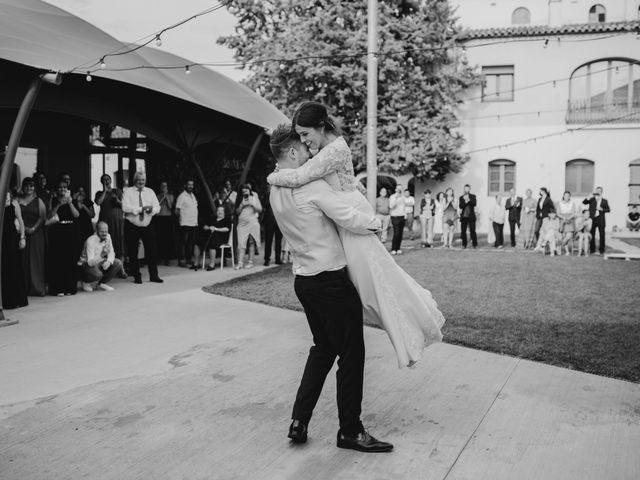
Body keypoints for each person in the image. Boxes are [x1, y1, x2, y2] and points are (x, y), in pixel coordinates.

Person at [267, 103, 444, 370]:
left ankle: (408, 340)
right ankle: (404, 340)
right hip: (344, 217)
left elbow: (301, 176)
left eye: (305, 134)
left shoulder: (336, 149)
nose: (304, 140)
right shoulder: (322, 150)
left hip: (349, 216)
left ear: (321, 126)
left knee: (375, 286)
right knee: (373, 285)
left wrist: (273, 176)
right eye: (300, 136)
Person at [268, 123, 393, 453]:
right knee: (352, 354)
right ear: (293, 151)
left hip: (304, 281)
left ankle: (300, 420)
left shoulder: (274, 190)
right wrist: (377, 223)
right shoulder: (310, 185)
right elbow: (347, 216)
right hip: (331, 281)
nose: (312, 154)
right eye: (306, 149)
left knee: (323, 348)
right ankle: (350, 430)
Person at [122, 172, 163, 284]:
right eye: (139, 180)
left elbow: (157, 207)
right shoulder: (128, 191)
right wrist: (141, 209)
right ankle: (137, 276)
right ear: (135, 180)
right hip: (132, 226)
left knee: (152, 251)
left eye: (143, 180)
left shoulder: (150, 192)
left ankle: (154, 276)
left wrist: (152, 210)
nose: (141, 182)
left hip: (147, 225)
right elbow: (125, 207)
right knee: (133, 252)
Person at [45, 180, 80, 296]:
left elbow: (76, 215)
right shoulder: (53, 200)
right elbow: (49, 215)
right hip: (57, 231)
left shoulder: (71, 200)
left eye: (65, 187)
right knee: (58, 260)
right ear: (57, 189)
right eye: (60, 187)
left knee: (69, 259)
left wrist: (69, 203)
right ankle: (58, 288)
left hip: (70, 230)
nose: (63, 189)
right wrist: (59, 204)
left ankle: (69, 288)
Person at [18, 178, 46, 296]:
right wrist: (23, 229)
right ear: (22, 187)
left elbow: (42, 217)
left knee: (36, 260)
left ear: (34, 188)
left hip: (36, 234)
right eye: (26, 186)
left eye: (31, 186)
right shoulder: (17, 200)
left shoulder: (38, 201)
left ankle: (37, 288)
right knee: (22, 260)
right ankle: (24, 288)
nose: (29, 188)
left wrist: (34, 228)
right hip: (21, 233)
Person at [78, 221, 123, 292]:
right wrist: (102, 255)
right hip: (86, 264)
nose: (105, 234)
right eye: (102, 232)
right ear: (97, 231)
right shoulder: (90, 240)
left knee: (118, 263)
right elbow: (90, 262)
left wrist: (109, 261)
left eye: (106, 231)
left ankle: (101, 283)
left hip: (100, 261)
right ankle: (85, 281)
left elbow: (112, 252)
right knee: (98, 274)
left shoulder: (108, 236)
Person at [2, 192, 28, 309]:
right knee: (4, 268)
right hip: (1, 237)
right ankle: (6, 300)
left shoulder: (14, 203)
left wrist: (22, 237)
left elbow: (20, 221)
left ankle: (18, 298)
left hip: (11, 237)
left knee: (14, 266)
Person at [95, 174, 125, 261]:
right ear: (101, 182)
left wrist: (117, 201)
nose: (106, 181)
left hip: (117, 221)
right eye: (104, 180)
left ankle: (121, 268)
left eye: (107, 179)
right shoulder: (99, 193)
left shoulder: (118, 191)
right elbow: (98, 202)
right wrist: (105, 191)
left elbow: (125, 205)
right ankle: (107, 265)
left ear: (111, 180)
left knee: (119, 243)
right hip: (105, 221)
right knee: (105, 242)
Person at [235, 184, 262, 269]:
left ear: (250, 190)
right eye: (243, 191)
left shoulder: (254, 197)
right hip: (242, 224)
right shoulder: (239, 199)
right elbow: (237, 212)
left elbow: (260, 209)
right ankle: (240, 263)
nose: (245, 192)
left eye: (246, 190)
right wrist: (242, 205)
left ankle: (250, 262)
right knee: (241, 243)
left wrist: (252, 204)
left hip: (253, 222)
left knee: (251, 241)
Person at [197, 206, 231, 270]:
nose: (220, 212)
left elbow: (226, 229)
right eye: (218, 211)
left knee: (212, 242)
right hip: (210, 236)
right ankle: (197, 263)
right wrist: (208, 227)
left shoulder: (227, 219)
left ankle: (212, 264)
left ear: (224, 212)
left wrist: (215, 229)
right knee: (198, 241)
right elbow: (205, 226)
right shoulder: (213, 218)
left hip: (222, 237)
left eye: (221, 211)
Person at [175, 179, 198, 269]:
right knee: (183, 242)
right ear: (185, 186)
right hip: (185, 223)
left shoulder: (193, 196)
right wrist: (181, 219)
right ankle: (181, 260)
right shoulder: (182, 196)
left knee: (190, 243)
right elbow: (177, 210)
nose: (190, 186)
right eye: (189, 185)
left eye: (192, 185)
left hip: (193, 222)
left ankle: (188, 259)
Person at [582, 186, 610, 255]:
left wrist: (602, 209)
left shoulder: (604, 201)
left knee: (602, 235)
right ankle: (592, 249)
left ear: (601, 192)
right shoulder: (591, 199)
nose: (598, 192)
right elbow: (584, 202)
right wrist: (588, 196)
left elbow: (608, 210)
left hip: (601, 219)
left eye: (599, 191)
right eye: (597, 191)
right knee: (592, 234)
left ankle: (602, 250)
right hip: (592, 219)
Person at [154, 181, 175, 266]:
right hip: (159, 218)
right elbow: (156, 206)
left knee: (168, 238)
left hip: (168, 218)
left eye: (165, 186)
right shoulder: (157, 196)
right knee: (160, 238)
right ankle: (160, 258)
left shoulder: (171, 196)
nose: (164, 188)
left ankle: (168, 258)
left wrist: (167, 199)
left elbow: (170, 207)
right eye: (162, 186)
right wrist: (162, 198)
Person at [73, 186, 96, 256]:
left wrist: (84, 207)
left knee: (88, 245)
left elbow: (92, 215)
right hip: (77, 226)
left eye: (82, 191)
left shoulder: (88, 201)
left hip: (87, 226)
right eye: (79, 191)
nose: (80, 193)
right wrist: (76, 201)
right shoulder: (73, 202)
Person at [263, 187, 283, 266]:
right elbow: (265, 204)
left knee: (278, 241)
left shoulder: (280, 196)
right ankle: (267, 259)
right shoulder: (267, 195)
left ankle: (278, 259)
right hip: (269, 221)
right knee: (268, 241)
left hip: (278, 220)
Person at [557, 191, 577, 256]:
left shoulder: (572, 203)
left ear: (569, 197)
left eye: (568, 196)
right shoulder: (559, 203)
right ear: (563, 196)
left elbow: (573, 213)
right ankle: (567, 251)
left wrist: (568, 218)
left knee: (569, 236)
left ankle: (559, 247)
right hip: (562, 220)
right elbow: (558, 213)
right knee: (564, 236)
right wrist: (563, 218)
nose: (566, 197)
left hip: (570, 220)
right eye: (565, 195)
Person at [459, 184, 477, 249]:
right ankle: (464, 244)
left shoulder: (473, 196)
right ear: (464, 189)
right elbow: (461, 206)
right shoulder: (461, 197)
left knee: (473, 230)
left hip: (471, 216)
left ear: (469, 189)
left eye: (468, 189)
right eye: (465, 189)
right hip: (464, 216)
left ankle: (474, 244)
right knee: (463, 231)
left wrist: (468, 200)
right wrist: (465, 201)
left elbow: (474, 204)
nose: (466, 190)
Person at [389, 184, 406, 255]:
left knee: (400, 234)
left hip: (402, 216)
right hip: (395, 216)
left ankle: (398, 248)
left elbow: (404, 207)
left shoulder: (403, 197)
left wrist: (405, 215)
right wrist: (396, 198)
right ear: (396, 190)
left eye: (401, 189)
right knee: (396, 233)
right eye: (398, 189)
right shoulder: (392, 197)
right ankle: (393, 248)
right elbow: (391, 206)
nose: (400, 190)